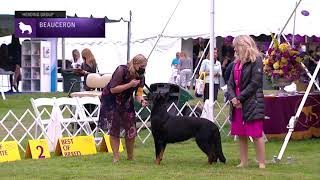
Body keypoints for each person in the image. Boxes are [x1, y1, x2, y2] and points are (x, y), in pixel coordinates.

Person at [98, 54, 148, 162]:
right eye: (142, 66)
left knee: (131, 128)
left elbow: (138, 94)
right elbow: (113, 89)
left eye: (145, 66)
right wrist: (130, 85)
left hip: (126, 101)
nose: (143, 69)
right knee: (114, 128)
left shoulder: (141, 77)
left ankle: (130, 157)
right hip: (111, 100)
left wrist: (142, 101)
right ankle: (116, 157)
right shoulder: (121, 70)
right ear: (135, 64)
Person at [228, 35, 265, 168]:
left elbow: (255, 83)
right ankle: (243, 162)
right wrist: (233, 97)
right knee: (241, 134)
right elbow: (230, 83)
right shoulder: (235, 63)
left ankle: (261, 163)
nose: (235, 49)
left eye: (236, 46)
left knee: (256, 134)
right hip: (236, 102)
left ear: (243, 45)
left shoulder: (257, 60)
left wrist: (239, 98)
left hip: (251, 101)